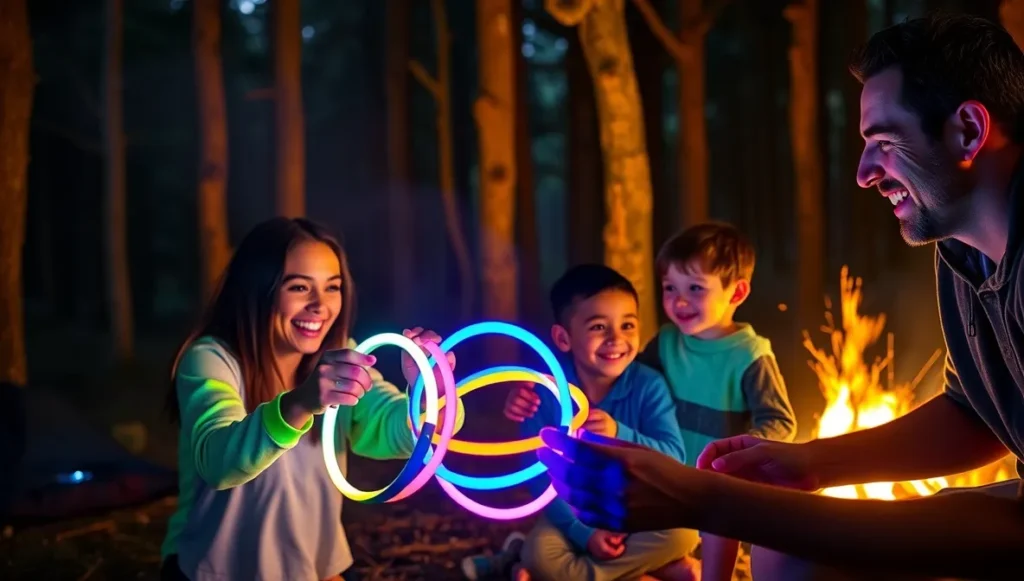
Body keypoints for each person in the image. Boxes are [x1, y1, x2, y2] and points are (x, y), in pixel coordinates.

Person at [535, 13, 1024, 581]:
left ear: (967, 129)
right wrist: (806, 464)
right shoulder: (963, 252)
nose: (865, 172)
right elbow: (976, 416)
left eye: (884, 142)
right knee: (788, 555)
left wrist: (708, 501)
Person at [159, 217, 461, 581]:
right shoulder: (211, 359)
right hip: (212, 570)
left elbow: (395, 432)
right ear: (258, 289)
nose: (320, 305)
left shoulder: (341, 355)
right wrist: (299, 404)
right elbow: (220, 464)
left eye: (332, 287)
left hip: (315, 568)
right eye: (299, 287)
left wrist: (429, 393)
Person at [504, 264, 700, 581]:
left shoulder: (648, 385)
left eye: (627, 325)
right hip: (572, 513)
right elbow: (538, 475)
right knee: (540, 552)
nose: (616, 339)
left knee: (684, 536)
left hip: (637, 509)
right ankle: (647, 573)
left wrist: (618, 433)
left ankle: (568, 574)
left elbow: (673, 456)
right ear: (563, 338)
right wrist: (584, 534)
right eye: (598, 327)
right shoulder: (544, 392)